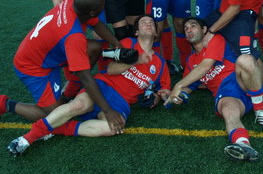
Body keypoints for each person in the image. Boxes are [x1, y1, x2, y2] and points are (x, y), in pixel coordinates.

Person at [7, 14, 171, 157]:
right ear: (136, 32)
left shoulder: (161, 64)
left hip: (121, 102)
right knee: (79, 105)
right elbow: (112, 69)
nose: (148, 23)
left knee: (113, 128)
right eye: (143, 22)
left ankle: (57, 128)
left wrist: (157, 97)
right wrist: (136, 60)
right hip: (104, 85)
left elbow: (164, 90)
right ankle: (28, 138)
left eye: (151, 23)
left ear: (156, 33)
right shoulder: (127, 43)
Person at [0, 0, 125, 134]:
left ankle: (70, 89)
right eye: (101, 5)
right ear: (91, 11)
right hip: (33, 67)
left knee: (94, 48)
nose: (103, 6)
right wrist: (108, 110)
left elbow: (96, 24)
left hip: (50, 53)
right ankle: (5, 104)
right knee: (55, 115)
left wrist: (117, 44)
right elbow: (86, 78)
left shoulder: (73, 3)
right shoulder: (73, 37)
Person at [167, 17, 263, 162]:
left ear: (204, 30)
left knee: (245, 59)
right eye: (186, 29)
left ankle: (259, 108)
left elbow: (206, 66)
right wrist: (176, 96)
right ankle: (243, 145)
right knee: (228, 111)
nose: (189, 30)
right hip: (228, 94)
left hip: (243, 81)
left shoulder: (216, 40)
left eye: (193, 26)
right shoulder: (191, 61)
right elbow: (190, 85)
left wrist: (177, 86)